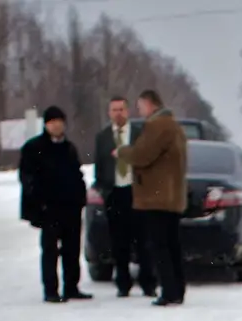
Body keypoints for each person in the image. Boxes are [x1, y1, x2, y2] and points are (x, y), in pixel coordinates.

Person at [119, 89, 188, 307]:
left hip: (157, 197)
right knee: (172, 244)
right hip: (172, 196)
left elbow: (142, 155)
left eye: (140, 106)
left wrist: (123, 152)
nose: (139, 111)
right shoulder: (175, 126)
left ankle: (168, 291)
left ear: (150, 104)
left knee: (160, 245)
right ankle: (177, 289)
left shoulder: (157, 126)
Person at [17, 106, 91, 303]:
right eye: (52, 122)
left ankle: (71, 287)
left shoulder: (69, 147)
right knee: (50, 250)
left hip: (71, 207)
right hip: (49, 208)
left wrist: (81, 197)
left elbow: (76, 173)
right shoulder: (34, 148)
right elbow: (27, 178)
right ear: (46, 125)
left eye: (59, 122)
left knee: (72, 249)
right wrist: (38, 203)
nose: (57, 126)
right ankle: (51, 289)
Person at [93, 96, 158, 298]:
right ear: (109, 113)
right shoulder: (103, 137)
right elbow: (99, 167)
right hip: (114, 194)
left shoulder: (140, 134)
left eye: (121, 109)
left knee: (143, 240)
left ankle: (148, 283)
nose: (118, 113)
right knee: (118, 241)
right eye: (114, 110)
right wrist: (103, 190)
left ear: (128, 111)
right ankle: (123, 283)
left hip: (136, 192)